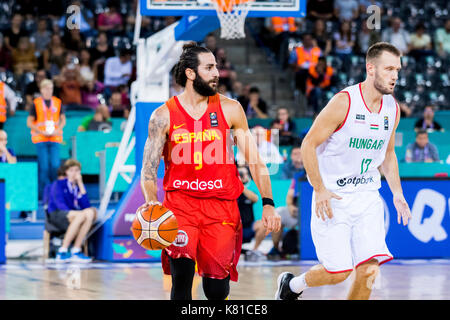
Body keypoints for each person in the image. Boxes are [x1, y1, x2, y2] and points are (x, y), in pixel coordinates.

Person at [138, 42, 281, 300]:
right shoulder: (163, 116)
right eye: (210, 67)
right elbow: (149, 170)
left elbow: (255, 161)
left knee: (216, 289)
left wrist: (268, 203)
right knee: (181, 281)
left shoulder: (231, 109)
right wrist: (151, 204)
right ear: (191, 73)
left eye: (216, 66)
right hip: (181, 205)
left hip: (221, 206)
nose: (217, 72)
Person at [275, 42, 412, 300]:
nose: (395, 76)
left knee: (370, 269)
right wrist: (319, 189)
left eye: (398, 70)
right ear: (370, 68)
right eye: (389, 69)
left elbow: (389, 153)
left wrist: (397, 192)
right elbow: (308, 144)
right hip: (333, 197)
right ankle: (292, 286)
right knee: (338, 272)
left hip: (367, 196)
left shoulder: (392, 108)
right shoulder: (344, 102)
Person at [47, 159, 96, 262]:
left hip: (74, 215)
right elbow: (60, 205)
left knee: (90, 213)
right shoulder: (59, 184)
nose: (74, 173)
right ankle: (62, 251)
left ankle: (76, 250)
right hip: (57, 214)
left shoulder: (78, 187)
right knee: (82, 215)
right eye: (72, 170)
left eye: (77, 170)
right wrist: (77, 213)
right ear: (67, 172)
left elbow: (86, 205)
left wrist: (81, 183)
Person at [27, 79, 66, 199]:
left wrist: (57, 129)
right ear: (41, 90)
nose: (49, 91)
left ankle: (56, 192)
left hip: (54, 138)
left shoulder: (58, 102)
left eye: (51, 88)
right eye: (46, 88)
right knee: (43, 167)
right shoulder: (36, 103)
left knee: (55, 165)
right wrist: (41, 131)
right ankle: (45, 194)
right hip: (41, 138)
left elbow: (63, 120)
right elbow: (29, 122)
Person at [237, 166, 266, 262]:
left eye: (243, 174)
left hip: (248, 226)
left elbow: (255, 198)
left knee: (263, 225)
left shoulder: (250, 189)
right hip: (233, 227)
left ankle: (254, 250)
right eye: (239, 174)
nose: (242, 176)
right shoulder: (231, 189)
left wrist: (240, 185)